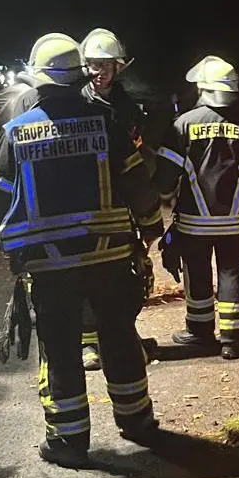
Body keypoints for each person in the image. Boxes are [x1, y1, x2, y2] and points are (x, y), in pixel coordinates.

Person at [0, 35, 165, 469]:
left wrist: (0, 242)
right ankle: (137, 422)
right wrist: (152, 229)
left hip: (50, 266)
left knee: (60, 348)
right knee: (119, 338)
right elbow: (138, 186)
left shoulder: (16, 133)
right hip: (111, 259)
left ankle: (68, 441)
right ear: (79, 76)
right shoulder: (107, 123)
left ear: (39, 82)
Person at [152, 55, 239, 360]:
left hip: (194, 222)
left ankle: (199, 333)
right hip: (234, 222)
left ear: (203, 89)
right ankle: (233, 338)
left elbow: (166, 176)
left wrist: (164, 197)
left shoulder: (183, 125)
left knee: (196, 272)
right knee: (231, 273)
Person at [77, 28, 158, 370]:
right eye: (94, 65)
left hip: (122, 203)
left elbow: (142, 158)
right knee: (86, 276)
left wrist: (148, 212)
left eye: (106, 66)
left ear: (117, 68)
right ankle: (88, 344)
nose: (99, 72)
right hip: (85, 204)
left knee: (127, 275)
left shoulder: (127, 107)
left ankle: (123, 335)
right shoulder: (77, 104)